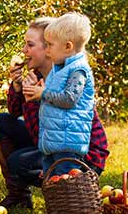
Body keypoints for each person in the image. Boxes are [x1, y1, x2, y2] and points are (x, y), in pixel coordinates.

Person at [0, 17, 108, 209]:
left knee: (19, 162)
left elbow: (57, 124)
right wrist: (18, 87)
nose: (24, 51)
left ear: (48, 49)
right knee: (1, 122)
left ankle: (64, 203)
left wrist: (39, 98)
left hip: (78, 153)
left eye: (30, 45)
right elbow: (14, 112)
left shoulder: (68, 78)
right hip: (50, 142)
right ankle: (18, 195)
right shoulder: (35, 77)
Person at [23, 12, 95, 176]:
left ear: (68, 46)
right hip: (54, 142)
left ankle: (69, 203)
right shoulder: (60, 68)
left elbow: (69, 99)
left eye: (50, 45)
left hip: (68, 144)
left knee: (65, 183)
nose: (47, 51)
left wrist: (44, 93)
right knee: (51, 182)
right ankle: (55, 203)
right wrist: (38, 93)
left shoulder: (79, 70)